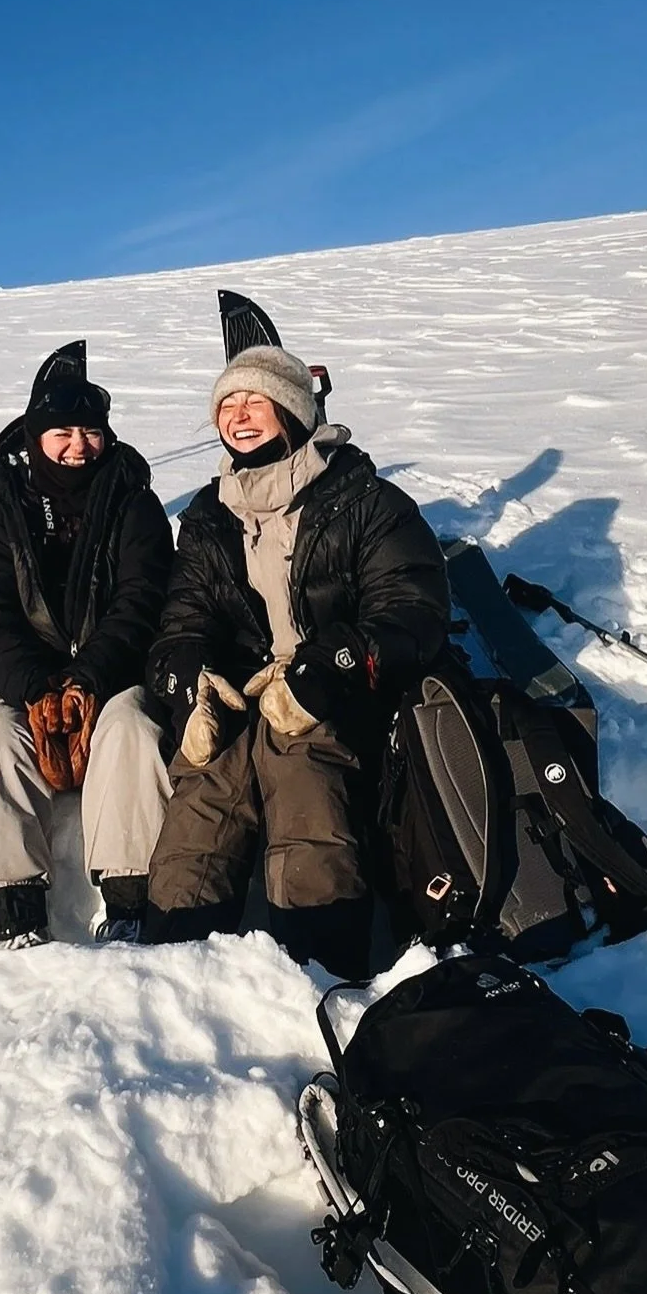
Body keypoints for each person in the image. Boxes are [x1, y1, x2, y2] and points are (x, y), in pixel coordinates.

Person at [143, 344, 450, 978]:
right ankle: (169, 973)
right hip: (245, 690)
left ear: (293, 410)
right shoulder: (208, 513)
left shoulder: (365, 500)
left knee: (302, 772)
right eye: (227, 404)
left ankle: (319, 972)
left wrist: (324, 671)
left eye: (256, 399)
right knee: (206, 782)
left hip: (336, 695)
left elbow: (410, 610)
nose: (240, 414)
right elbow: (183, 619)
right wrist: (190, 684)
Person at [0, 352, 174, 947]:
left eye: (91, 432)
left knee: (133, 734)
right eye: (62, 432)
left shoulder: (134, 504)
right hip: (24, 674)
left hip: (113, 669)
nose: (78, 446)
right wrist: (37, 684)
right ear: (35, 435)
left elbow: (142, 602)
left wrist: (90, 676)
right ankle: (4, 912)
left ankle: (134, 904)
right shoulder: (0, 513)